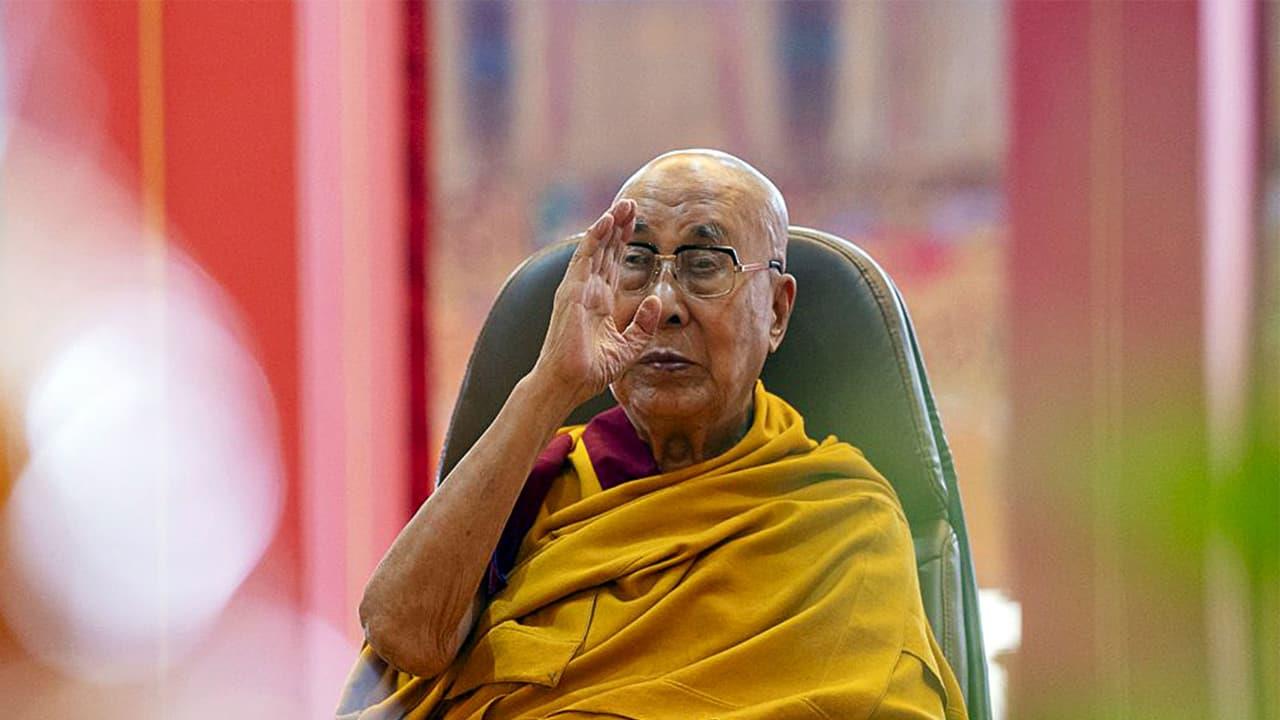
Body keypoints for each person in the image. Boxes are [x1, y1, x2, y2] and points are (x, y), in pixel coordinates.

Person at [337, 149, 967, 719]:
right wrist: (551, 385)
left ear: (776, 311)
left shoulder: (840, 519)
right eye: (635, 264)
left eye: (704, 265)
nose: (661, 303)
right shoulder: (537, 489)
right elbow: (404, 637)